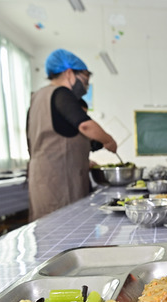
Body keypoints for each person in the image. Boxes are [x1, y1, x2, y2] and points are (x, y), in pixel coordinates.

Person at [27, 49, 117, 221]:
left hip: (45, 178)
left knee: (50, 232)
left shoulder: (38, 97)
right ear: (69, 73)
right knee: (63, 229)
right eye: (84, 81)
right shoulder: (60, 93)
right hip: (59, 182)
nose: (85, 87)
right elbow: (84, 125)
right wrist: (108, 140)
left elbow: (55, 138)